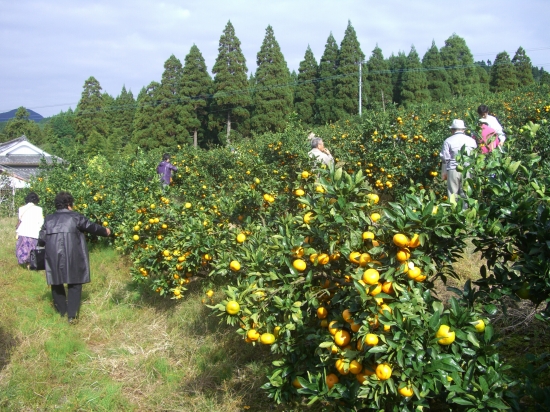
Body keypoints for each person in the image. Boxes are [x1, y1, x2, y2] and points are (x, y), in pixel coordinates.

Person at [38, 191, 111, 324]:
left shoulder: (49, 219)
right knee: (75, 283)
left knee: (56, 282)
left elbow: (42, 240)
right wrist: (105, 231)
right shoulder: (75, 217)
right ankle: (71, 316)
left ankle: (62, 313)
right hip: (73, 254)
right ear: (69, 204)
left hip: (53, 255)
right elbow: (91, 227)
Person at [440, 119, 477, 202]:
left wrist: (444, 173)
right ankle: (465, 212)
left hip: (453, 169)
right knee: (465, 194)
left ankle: (454, 213)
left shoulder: (448, 141)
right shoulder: (472, 141)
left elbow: (445, 158)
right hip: (468, 169)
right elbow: (474, 156)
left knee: (453, 195)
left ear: (452, 130)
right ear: (463, 130)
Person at [15, 192, 44, 268]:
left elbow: (20, 220)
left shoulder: (21, 209)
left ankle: (24, 264)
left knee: (23, 249)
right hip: (34, 233)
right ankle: (30, 265)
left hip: (23, 232)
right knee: (32, 250)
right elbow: (41, 222)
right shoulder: (39, 209)